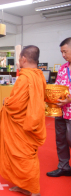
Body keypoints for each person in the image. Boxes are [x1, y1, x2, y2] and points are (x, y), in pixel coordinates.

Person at [0, 45, 46, 196]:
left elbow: (15, 104)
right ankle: (25, 186)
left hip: (23, 125)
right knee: (20, 156)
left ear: (23, 59)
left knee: (25, 157)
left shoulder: (25, 78)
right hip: (30, 120)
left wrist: (5, 101)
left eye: (19, 59)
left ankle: (35, 193)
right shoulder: (39, 75)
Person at [47, 37, 71, 178]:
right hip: (60, 111)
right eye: (61, 52)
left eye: (65, 51)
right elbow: (57, 87)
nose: (63, 55)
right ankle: (63, 166)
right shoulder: (63, 68)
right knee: (60, 139)